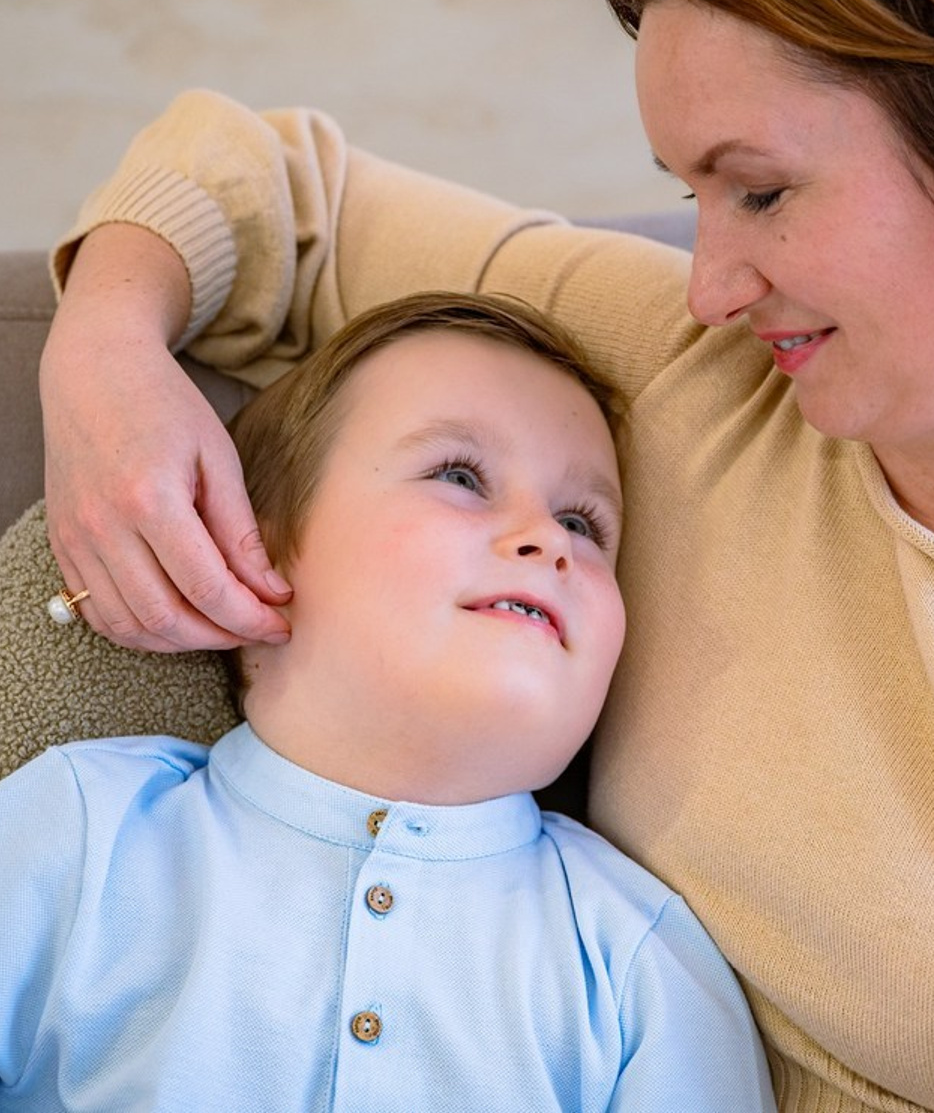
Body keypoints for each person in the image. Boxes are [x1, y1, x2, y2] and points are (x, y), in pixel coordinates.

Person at [35, 0, 934, 1107]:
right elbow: (267, 180)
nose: (710, 284)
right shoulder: (693, 372)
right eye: (691, 194)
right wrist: (103, 351)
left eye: (760, 190)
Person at [3, 292, 775, 1110]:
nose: (548, 539)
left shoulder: (635, 957)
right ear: (246, 551)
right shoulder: (82, 834)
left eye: (585, 524)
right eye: (459, 475)